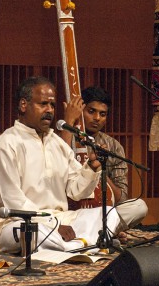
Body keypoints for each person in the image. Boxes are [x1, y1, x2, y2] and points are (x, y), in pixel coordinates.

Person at [0, 77, 145, 253]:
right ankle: (88, 241)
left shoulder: (57, 143)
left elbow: (77, 192)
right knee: (30, 233)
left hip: (63, 219)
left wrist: (91, 168)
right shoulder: (7, 144)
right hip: (20, 222)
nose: (49, 110)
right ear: (23, 105)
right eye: (43, 104)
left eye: (52, 105)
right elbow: (14, 202)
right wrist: (53, 225)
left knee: (135, 208)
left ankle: (73, 243)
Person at [61, 86, 148, 226]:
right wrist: (69, 122)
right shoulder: (63, 137)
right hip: (69, 209)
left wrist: (99, 170)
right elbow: (59, 160)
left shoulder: (113, 146)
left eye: (103, 114)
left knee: (138, 207)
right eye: (91, 111)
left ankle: (100, 231)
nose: (97, 118)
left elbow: (121, 197)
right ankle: (106, 232)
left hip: (100, 210)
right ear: (80, 111)